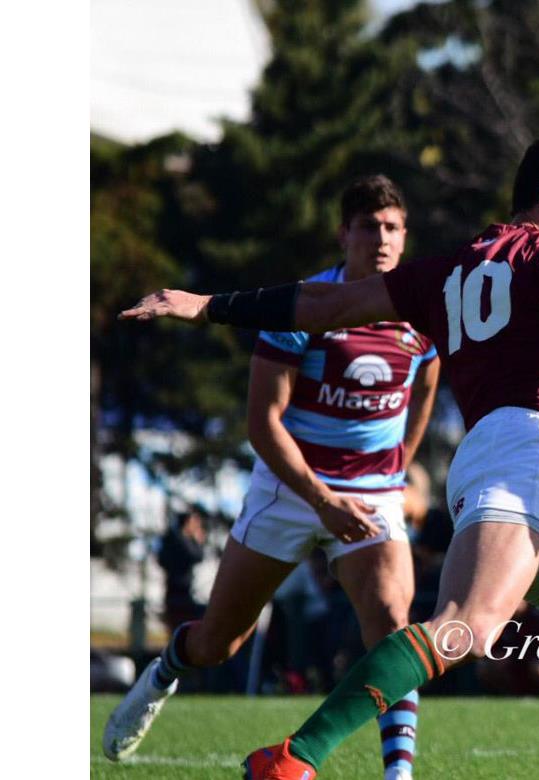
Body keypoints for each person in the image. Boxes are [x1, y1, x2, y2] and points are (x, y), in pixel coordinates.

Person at [120, 132, 539, 779]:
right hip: (527, 458)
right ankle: (295, 757)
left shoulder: (449, 267)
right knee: (464, 628)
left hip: (509, 472)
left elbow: (323, 302)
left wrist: (209, 305)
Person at [105, 175, 441, 780]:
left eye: (394, 227)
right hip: (291, 488)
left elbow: (425, 386)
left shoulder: (420, 311)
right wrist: (320, 497)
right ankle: (162, 676)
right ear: (345, 234)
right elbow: (262, 425)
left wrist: (397, 469)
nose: (383, 239)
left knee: (393, 624)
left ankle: (399, 774)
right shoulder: (306, 306)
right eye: (370, 226)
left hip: (371, 494)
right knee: (218, 645)